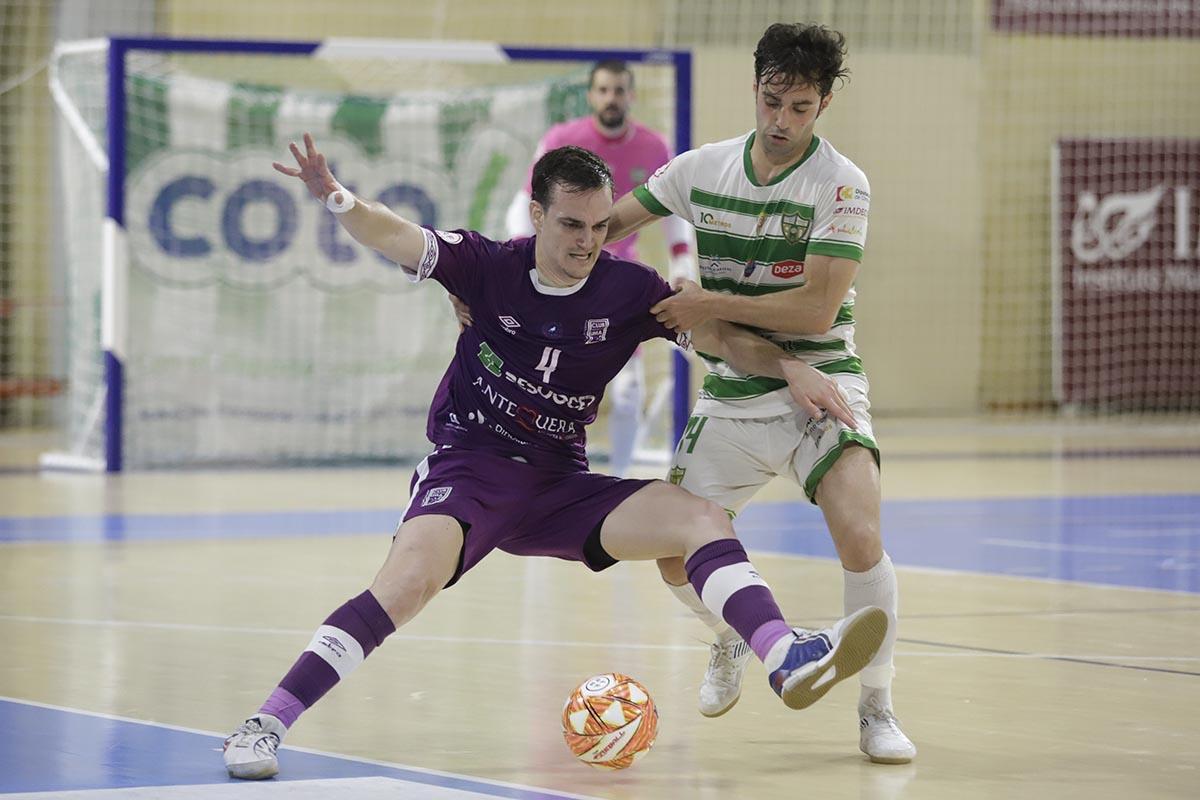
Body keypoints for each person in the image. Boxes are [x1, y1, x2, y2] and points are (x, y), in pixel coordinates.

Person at [220, 135, 889, 780]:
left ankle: (782, 653)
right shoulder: (488, 266)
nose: (588, 241)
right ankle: (264, 723)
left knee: (700, 519)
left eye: (601, 225)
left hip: (558, 483)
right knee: (404, 587)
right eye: (571, 224)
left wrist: (788, 367)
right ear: (537, 213)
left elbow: (716, 337)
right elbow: (396, 234)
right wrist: (337, 196)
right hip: (472, 465)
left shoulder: (629, 289)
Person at [601, 23, 917, 764]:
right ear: (755, 87)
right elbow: (602, 226)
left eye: (800, 107)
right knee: (673, 557)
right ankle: (735, 638)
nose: (781, 121)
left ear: (825, 103)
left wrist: (704, 302)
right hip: (735, 385)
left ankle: (877, 706)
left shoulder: (842, 184)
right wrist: (513, 267)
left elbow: (813, 310)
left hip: (824, 378)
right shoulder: (700, 170)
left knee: (862, 535)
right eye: (772, 101)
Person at [503, 60, 696, 476]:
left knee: (628, 391)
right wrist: (523, 261)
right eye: (604, 90)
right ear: (592, 95)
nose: (612, 98)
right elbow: (524, 206)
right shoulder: (561, 140)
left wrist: (683, 264)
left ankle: (619, 481)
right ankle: (532, 467)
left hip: (614, 287)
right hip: (560, 284)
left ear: (632, 96)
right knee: (541, 381)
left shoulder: (654, 147)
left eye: (620, 90)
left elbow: (675, 211)